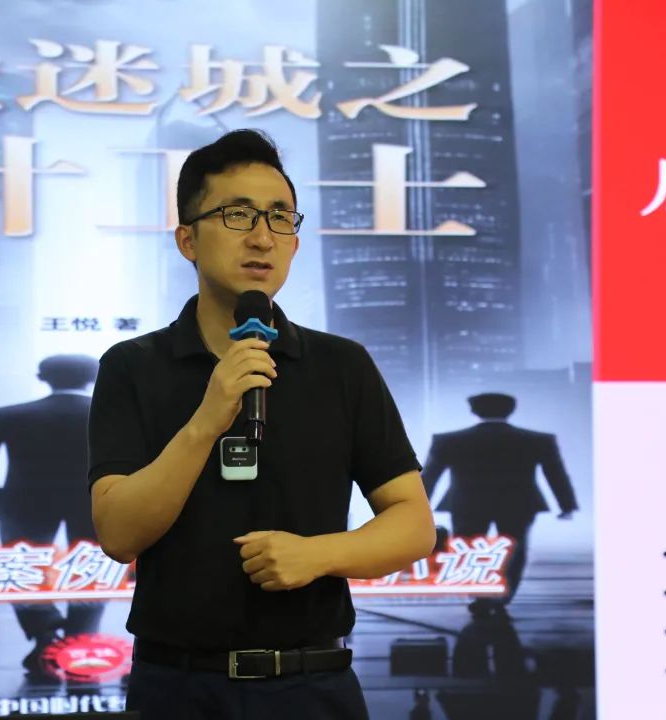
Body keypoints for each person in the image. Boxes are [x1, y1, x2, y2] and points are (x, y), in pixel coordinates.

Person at [88, 129, 436, 719]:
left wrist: (318, 555)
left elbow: (413, 525)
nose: (261, 237)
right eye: (237, 215)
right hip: (177, 687)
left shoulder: (341, 365)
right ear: (187, 239)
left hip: (313, 685)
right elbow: (119, 535)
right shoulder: (133, 367)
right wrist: (208, 417)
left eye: (279, 217)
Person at [0, 354, 102, 678]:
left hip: (23, 504)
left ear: (41, 377)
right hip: (94, 502)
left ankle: (44, 632)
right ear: (94, 378)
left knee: (22, 569)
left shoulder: (5, 416)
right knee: (91, 570)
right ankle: (79, 638)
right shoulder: (115, 412)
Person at [421, 393, 578, 616]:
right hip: (519, 502)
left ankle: (480, 594)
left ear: (474, 411)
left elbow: (430, 476)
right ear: (511, 410)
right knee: (515, 548)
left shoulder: (448, 440)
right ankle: (504, 595)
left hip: (467, 503)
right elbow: (556, 474)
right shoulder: (538, 440)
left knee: (468, 547)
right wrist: (566, 505)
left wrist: (418, 506)